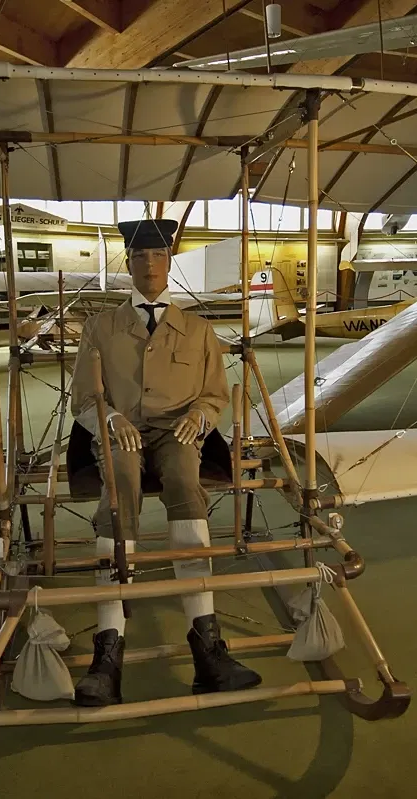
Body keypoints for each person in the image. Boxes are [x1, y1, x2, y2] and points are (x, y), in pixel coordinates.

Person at [68, 217, 261, 707]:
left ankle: (208, 647)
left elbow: (216, 393)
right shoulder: (101, 326)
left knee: (183, 480)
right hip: (122, 432)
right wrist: (110, 419)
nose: (149, 266)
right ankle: (107, 653)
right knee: (122, 484)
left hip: (178, 431)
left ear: (169, 262)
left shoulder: (197, 330)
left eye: (157, 256)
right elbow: (84, 399)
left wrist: (199, 412)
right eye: (138, 257)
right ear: (127, 265)